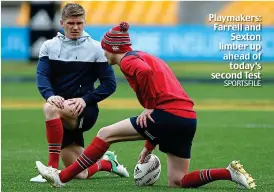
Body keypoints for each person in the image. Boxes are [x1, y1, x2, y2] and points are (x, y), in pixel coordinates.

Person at [35, 22, 256, 189]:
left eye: (105, 49)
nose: (103, 53)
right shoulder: (147, 56)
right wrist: (149, 145)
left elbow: (145, 73)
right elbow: (163, 88)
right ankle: (228, 173)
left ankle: (61, 177)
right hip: (187, 118)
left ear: (113, 48)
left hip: (166, 115)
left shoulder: (129, 60)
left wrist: (150, 106)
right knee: (178, 181)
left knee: (105, 134)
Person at [30, 4, 129, 183]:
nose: (75, 27)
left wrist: (85, 99)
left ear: (85, 23)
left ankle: (51, 168)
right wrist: (50, 94)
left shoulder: (96, 48)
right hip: (61, 114)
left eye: (79, 23)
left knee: (50, 108)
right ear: (62, 23)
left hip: (85, 110)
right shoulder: (49, 46)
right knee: (79, 173)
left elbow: (110, 84)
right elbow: (42, 75)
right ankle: (108, 163)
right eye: (71, 23)